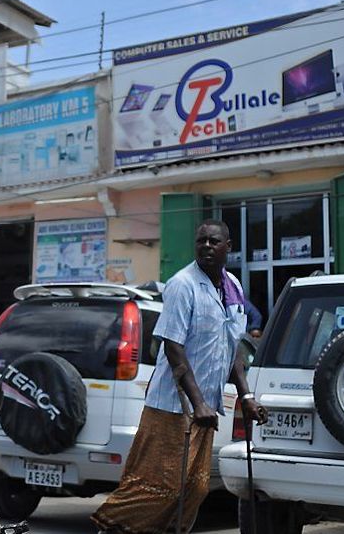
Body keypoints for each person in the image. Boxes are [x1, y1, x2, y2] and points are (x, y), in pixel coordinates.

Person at [92, 219, 269, 533]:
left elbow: (233, 350)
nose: (206, 247)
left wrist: (247, 396)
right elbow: (173, 347)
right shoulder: (182, 284)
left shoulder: (233, 287)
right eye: (201, 241)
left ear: (229, 247)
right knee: (159, 486)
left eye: (214, 241)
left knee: (195, 488)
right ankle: (112, 525)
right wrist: (197, 402)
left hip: (206, 409)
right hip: (172, 406)